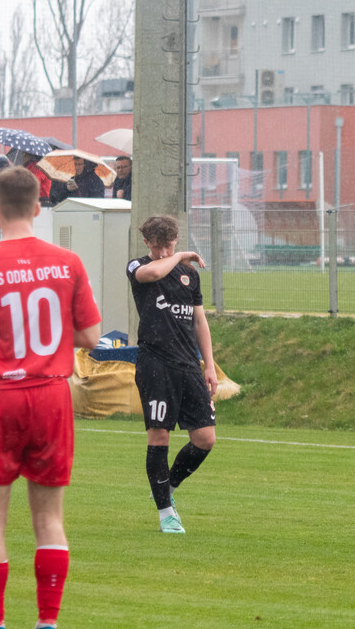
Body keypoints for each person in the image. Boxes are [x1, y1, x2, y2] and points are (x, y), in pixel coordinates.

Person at [0, 167, 101, 629]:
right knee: (50, 517)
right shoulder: (68, 262)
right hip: (49, 395)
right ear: (39, 207)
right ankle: (47, 622)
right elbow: (91, 335)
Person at [126, 215, 218, 535]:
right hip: (155, 363)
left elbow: (199, 323)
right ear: (147, 243)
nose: (164, 251)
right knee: (159, 435)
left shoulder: (189, 276)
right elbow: (153, 271)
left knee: (205, 439)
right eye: (158, 245)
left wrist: (209, 365)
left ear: (176, 239)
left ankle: (166, 487)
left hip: (189, 366)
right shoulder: (138, 266)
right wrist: (178, 256)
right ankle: (166, 513)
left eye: (169, 245)